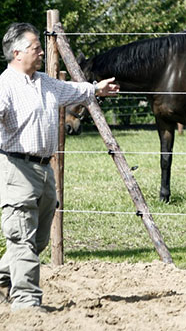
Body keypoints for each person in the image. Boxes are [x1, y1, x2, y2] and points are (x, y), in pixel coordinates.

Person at [0, 22, 119, 312]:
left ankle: (2, 277)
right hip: (16, 168)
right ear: (17, 53)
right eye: (35, 47)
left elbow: (73, 90)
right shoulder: (5, 86)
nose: (41, 51)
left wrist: (96, 89)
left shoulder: (45, 82)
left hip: (44, 170)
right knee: (21, 237)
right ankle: (26, 302)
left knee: (36, 240)